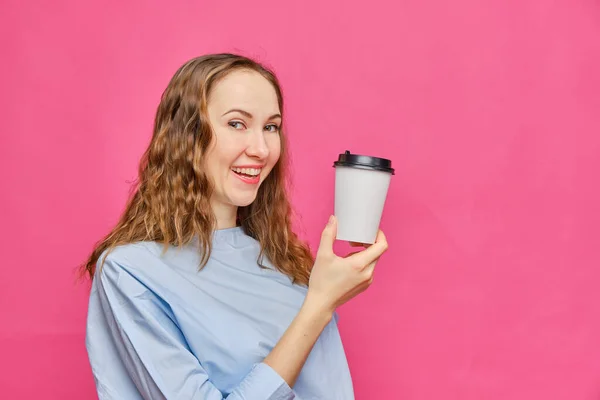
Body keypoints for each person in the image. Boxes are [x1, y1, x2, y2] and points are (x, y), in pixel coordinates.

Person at [83, 53, 388, 400]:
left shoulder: (282, 261)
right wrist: (319, 306)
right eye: (236, 124)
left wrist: (322, 297)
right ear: (187, 136)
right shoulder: (130, 272)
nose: (261, 149)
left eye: (270, 127)